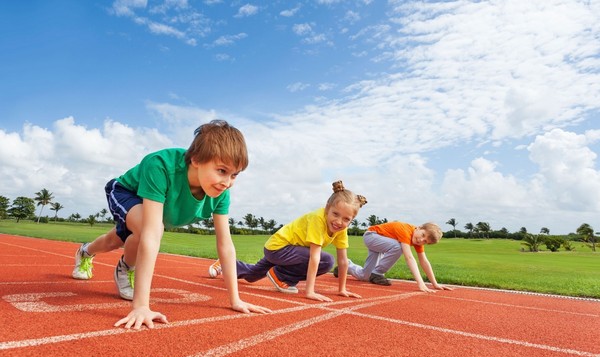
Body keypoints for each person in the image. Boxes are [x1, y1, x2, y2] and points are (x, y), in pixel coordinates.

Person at [71, 119, 271, 329]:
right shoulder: (160, 166)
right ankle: (126, 268)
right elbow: (151, 233)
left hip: (153, 210)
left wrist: (235, 300)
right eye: (221, 170)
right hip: (126, 191)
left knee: (115, 240)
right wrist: (141, 306)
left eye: (234, 175)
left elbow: (225, 245)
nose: (227, 182)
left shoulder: (221, 193)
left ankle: (85, 252)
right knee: (147, 231)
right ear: (196, 159)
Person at [209, 181, 367, 302]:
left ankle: (224, 264)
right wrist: (309, 291)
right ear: (327, 208)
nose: (339, 221)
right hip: (278, 248)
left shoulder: (341, 228)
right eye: (335, 214)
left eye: (346, 219)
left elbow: (344, 261)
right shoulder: (317, 219)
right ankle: (281, 276)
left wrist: (342, 289)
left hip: (291, 253)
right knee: (326, 261)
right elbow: (314, 257)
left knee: (252, 276)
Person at [338, 221, 452, 292]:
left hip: (381, 242)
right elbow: (409, 258)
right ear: (418, 227)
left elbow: (424, 261)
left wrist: (434, 284)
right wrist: (420, 283)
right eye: (423, 235)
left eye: (425, 241)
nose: (421, 240)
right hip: (371, 236)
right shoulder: (405, 230)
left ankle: (345, 266)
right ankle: (377, 273)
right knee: (398, 247)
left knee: (364, 276)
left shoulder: (417, 241)